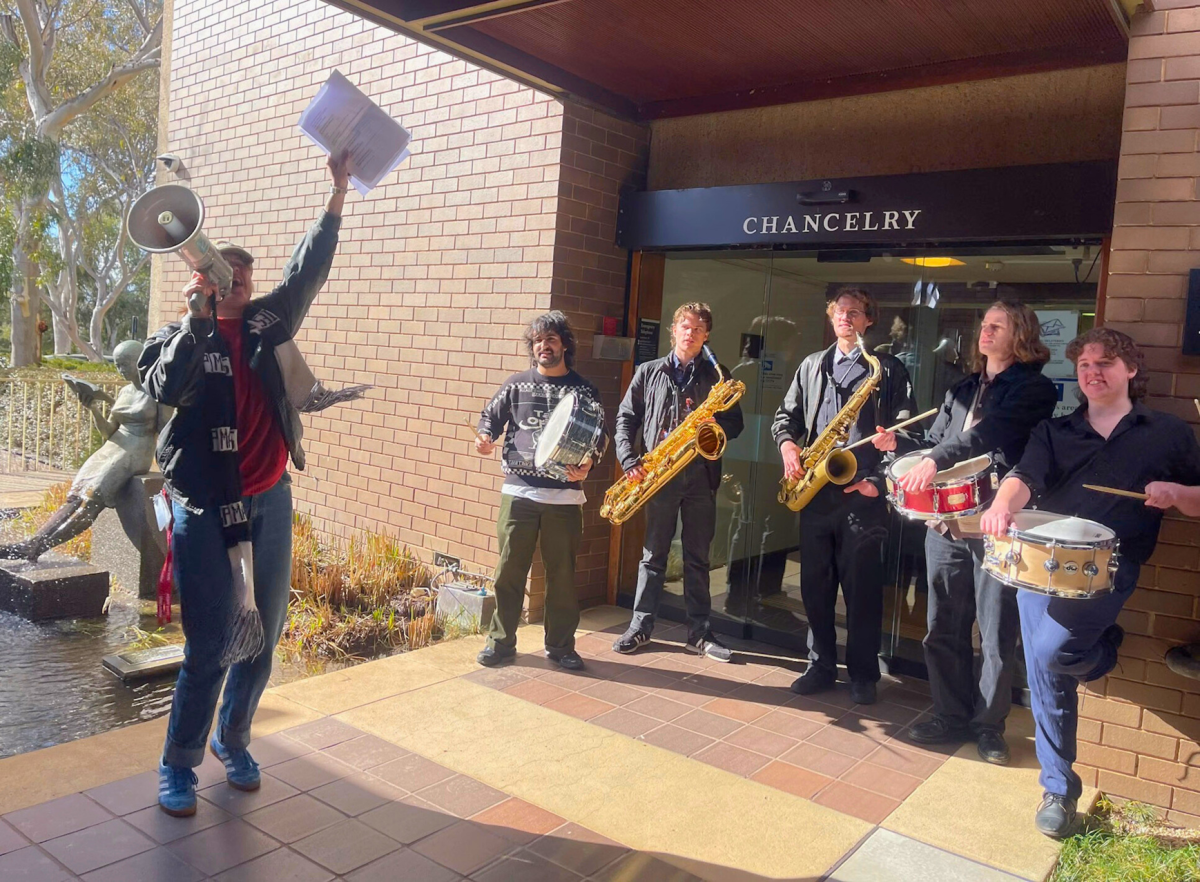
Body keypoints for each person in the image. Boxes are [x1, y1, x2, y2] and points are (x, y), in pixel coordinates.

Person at [140, 154, 352, 816]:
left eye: (247, 275)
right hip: (206, 510)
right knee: (209, 644)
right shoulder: (178, 337)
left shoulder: (267, 324)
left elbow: (307, 271)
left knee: (261, 637)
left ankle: (234, 739)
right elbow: (166, 390)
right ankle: (179, 766)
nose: (243, 282)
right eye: (229, 274)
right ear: (204, 278)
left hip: (269, 502)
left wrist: (337, 193)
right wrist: (195, 319)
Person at [981, 328, 1200, 838]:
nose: (1092, 372)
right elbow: (1023, 478)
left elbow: (1198, 496)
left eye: (1105, 363)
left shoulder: (1166, 432)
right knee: (1044, 667)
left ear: (1130, 370)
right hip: (1039, 564)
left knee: (1056, 653)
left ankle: (1099, 653)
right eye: (1083, 365)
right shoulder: (1055, 432)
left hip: (1111, 569)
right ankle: (1058, 789)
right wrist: (1000, 504)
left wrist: (1176, 492)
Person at [885, 300, 1056, 764]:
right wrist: (899, 443)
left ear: (1019, 334)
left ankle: (989, 726)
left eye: (996, 326)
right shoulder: (961, 387)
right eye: (983, 325)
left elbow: (989, 434)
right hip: (945, 523)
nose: (985, 332)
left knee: (996, 633)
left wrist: (932, 460)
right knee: (942, 627)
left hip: (995, 522)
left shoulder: (1035, 390)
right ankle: (949, 715)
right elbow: (936, 442)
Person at [773, 287, 918, 705]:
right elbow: (787, 416)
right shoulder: (811, 365)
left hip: (864, 495)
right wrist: (787, 446)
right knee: (815, 587)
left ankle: (863, 674)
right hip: (817, 493)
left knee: (862, 591)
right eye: (839, 311)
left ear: (868, 321)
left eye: (855, 312)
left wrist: (878, 478)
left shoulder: (888, 370)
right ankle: (819, 665)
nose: (846, 317)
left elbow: (908, 432)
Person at [474, 311, 608, 671]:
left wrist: (590, 464)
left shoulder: (583, 389)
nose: (543, 346)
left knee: (562, 575)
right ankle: (500, 642)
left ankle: (562, 646)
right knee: (508, 571)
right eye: (537, 341)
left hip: (564, 497)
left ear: (564, 344)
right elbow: (490, 416)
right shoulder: (516, 384)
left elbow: (600, 436)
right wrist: (485, 436)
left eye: (550, 339)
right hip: (519, 493)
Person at [612, 302, 744, 661]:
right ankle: (641, 627)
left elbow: (735, 423)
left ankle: (699, 633)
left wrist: (711, 427)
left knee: (697, 558)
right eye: (686, 327)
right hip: (659, 477)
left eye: (699, 329)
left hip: (701, 476)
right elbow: (626, 419)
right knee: (653, 556)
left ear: (707, 336)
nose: (691, 333)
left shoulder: (719, 376)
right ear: (673, 330)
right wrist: (629, 460)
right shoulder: (648, 371)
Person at [1, 340, 171, 561]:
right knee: (76, 495)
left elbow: (166, 431)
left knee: (90, 501)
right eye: (117, 364)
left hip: (137, 449)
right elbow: (109, 431)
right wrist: (92, 409)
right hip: (113, 446)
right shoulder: (124, 391)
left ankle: (37, 548)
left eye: (124, 364)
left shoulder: (158, 393)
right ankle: (33, 542)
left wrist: (168, 469)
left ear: (139, 362)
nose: (120, 370)